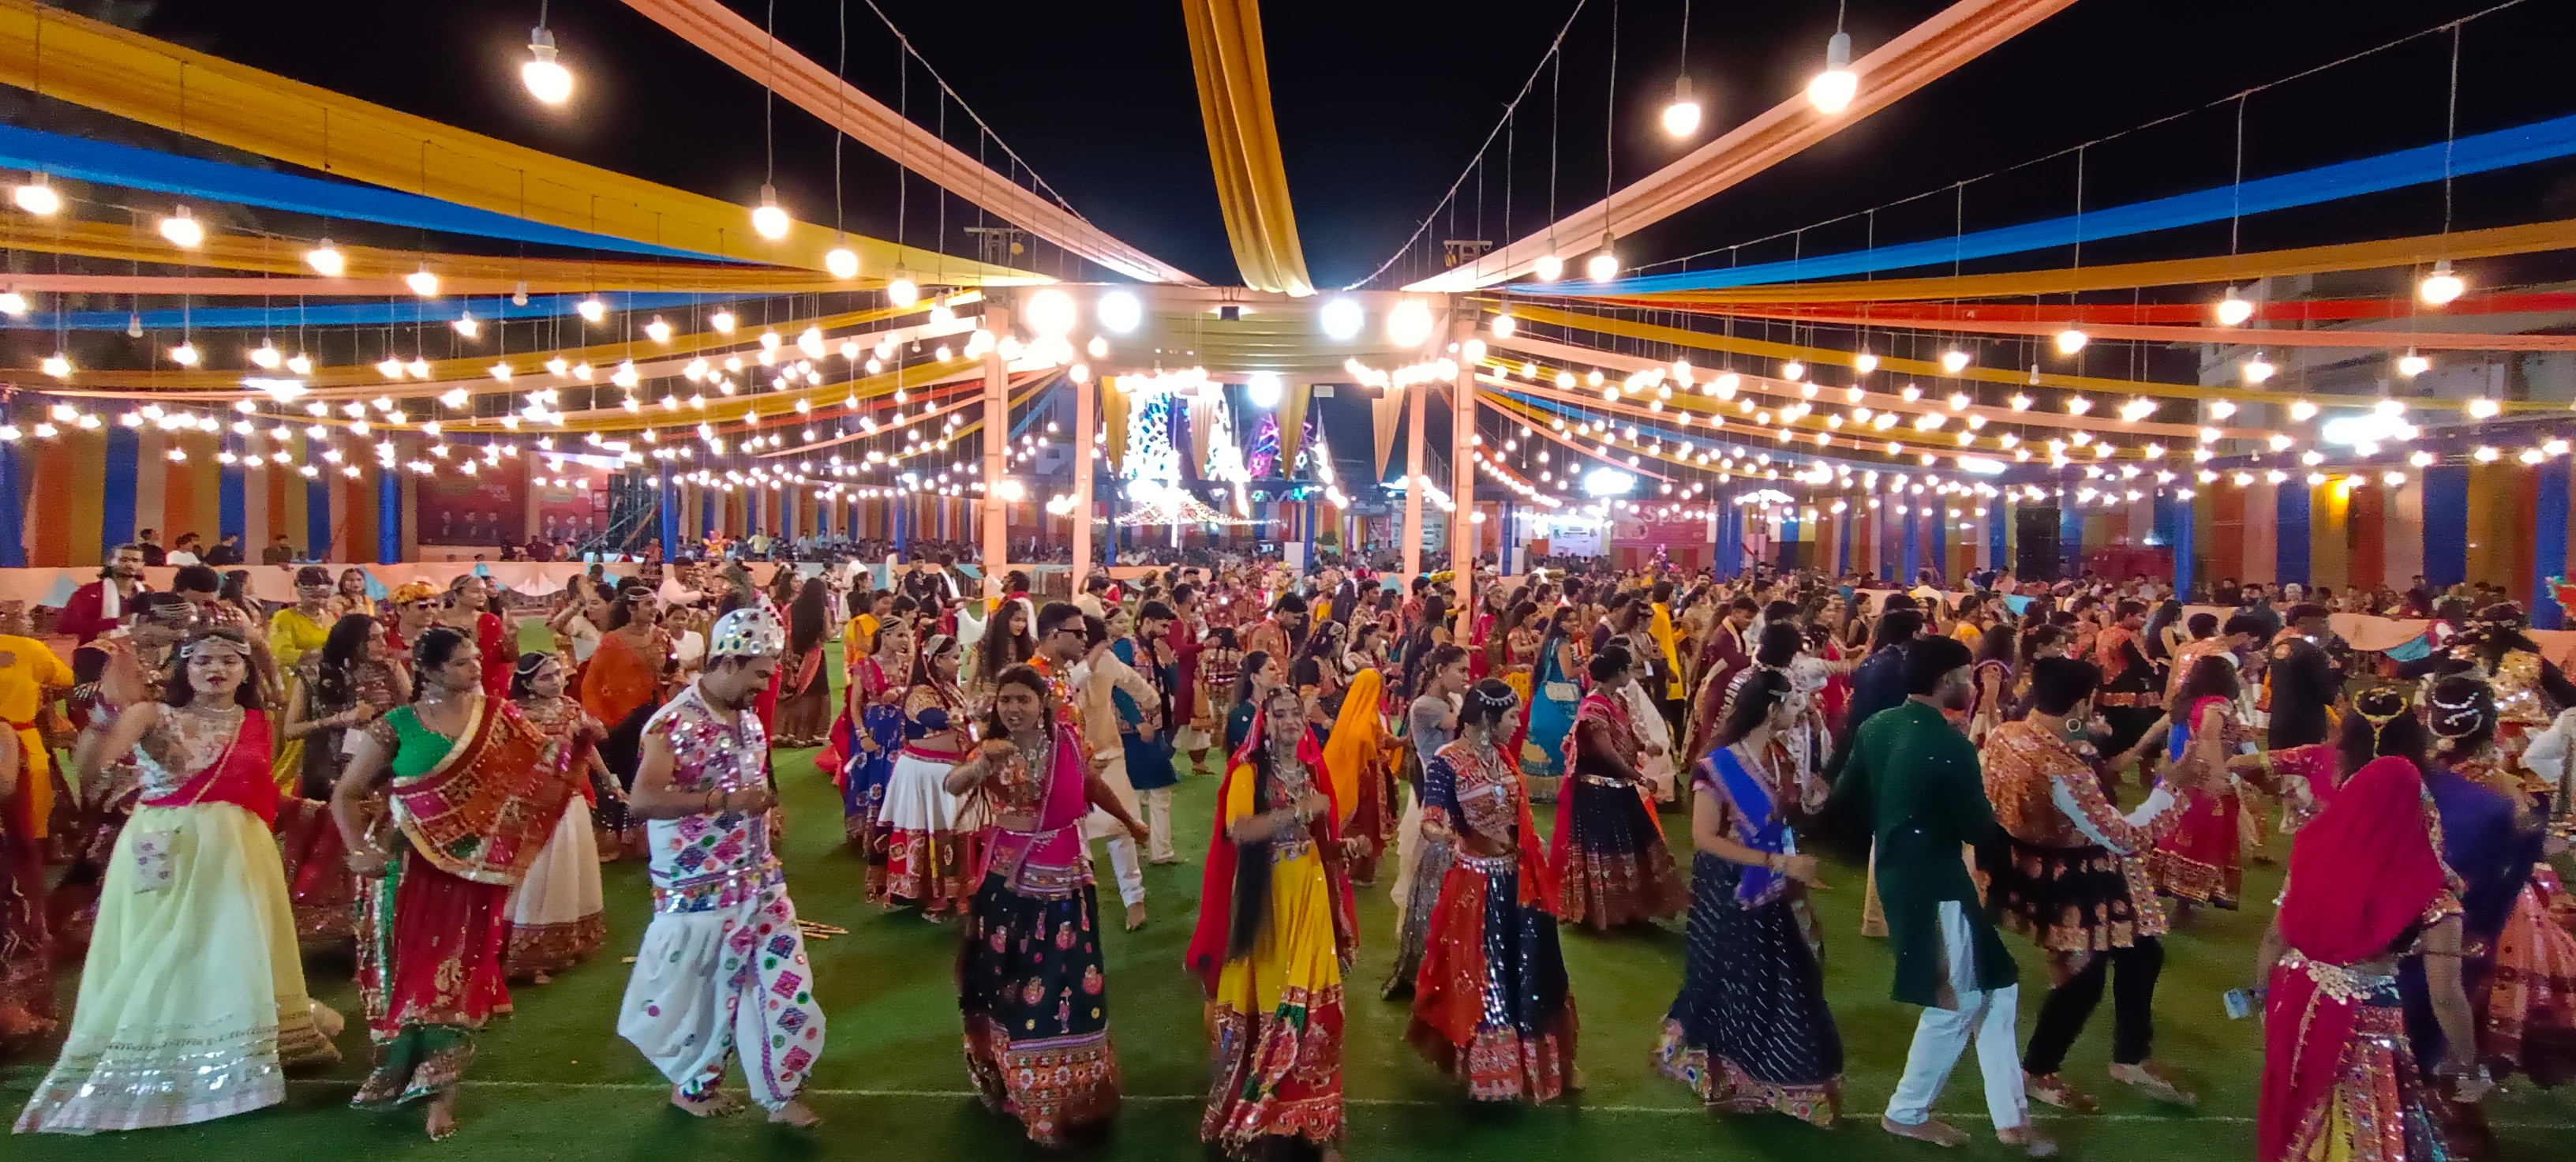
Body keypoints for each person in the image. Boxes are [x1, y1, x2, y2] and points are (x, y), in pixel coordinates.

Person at [15, 628, 343, 1134]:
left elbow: (256, 789)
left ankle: (239, 1050)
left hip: (241, 849)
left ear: (246, 671)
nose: (216, 669)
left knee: (233, 943)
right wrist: (105, 715)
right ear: (183, 670)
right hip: (166, 843)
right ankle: (157, 1054)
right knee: (167, 942)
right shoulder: (153, 715)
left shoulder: (256, 721)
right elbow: (93, 767)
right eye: (203, 660)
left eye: (229, 661)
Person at [331, 624, 581, 1139]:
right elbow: (347, 794)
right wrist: (361, 848)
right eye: (464, 662)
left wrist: (578, 745)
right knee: (410, 973)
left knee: (457, 972)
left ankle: (441, 1094)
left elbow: (540, 767)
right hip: (407, 866)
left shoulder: (498, 716)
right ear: (430, 670)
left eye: (474, 660)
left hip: (473, 870)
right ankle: (399, 1068)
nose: (475, 669)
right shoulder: (397, 724)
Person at [1829, 635, 2050, 1154]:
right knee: (1955, 1000)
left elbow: (1844, 799)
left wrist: (1897, 827)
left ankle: (2010, 1119)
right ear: (1946, 679)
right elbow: (1978, 825)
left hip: (1904, 873)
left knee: (1998, 988)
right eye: (1966, 674)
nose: (1972, 684)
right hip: (1936, 882)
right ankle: (1907, 1112)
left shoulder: (1877, 725)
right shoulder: (1949, 744)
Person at [616, 609, 824, 1128]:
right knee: (704, 996)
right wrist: (722, 803)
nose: (766, 685)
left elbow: (750, 776)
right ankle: (694, 1087)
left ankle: (782, 1095)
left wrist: (766, 809)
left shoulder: (746, 716)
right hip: (696, 887)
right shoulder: (673, 723)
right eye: (758, 673)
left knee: (784, 981)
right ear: (727, 660)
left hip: (759, 876)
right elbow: (641, 800)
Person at [1981, 657, 2197, 1112]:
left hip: (2040, 867)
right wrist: (2171, 788)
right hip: (2078, 879)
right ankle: (2039, 1070)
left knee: (2142, 953)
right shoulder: (2064, 769)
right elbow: (2126, 837)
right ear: (2083, 701)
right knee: (2083, 979)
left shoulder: (2008, 734)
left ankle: (2130, 1058)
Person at [945, 663, 1147, 1146]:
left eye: (1023, 700)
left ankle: (1074, 1095)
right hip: (1010, 887)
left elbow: (1090, 788)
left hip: (1067, 885)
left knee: (1071, 985)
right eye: (1006, 701)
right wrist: (980, 766)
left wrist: (1130, 822)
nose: (1013, 709)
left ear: (1043, 705)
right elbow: (954, 785)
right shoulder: (992, 751)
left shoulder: (1069, 744)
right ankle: (1020, 1088)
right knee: (1008, 984)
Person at [2254, 755, 2480, 1162]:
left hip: (2293, 995)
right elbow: (2444, 996)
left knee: (2293, 1097)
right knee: (2364, 1127)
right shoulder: (2432, 895)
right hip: (2362, 1018)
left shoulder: (2313, 853)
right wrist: (2469, 1063)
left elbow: (2274, 938)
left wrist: (2260, 992)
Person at [1656, 668, 1842, 1124]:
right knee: (1733, 979)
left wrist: (1813, 802)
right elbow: (1703, 838)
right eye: (1792, 704)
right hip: (1729, 889)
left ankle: (1778, 1077)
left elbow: (1780, 819)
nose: (1800, 711)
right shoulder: (1717, 764)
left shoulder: (1778, 756)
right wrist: (1778, 864)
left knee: (1786, 977)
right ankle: (1727, 1073)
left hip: (1774, 887)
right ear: (1770, 708)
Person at [1186, 685, 1360, 1160]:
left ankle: (1315, 1126)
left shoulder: (1306, 771)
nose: (1289, 721)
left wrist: (1343, 849)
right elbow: (1238, 830)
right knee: (1276, 1005)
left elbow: (1315, 838)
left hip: (1310, 899)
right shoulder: (1248, 772)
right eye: (1279, 714)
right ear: (1264, 722)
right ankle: (1259, 1120)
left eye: (1295, 714)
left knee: (1320, 1011)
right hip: (1270, 907)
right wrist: (1304, 810)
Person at [1406, 678, 1577, 1103]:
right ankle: (1492, 1073)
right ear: (1486, 718)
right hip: (1476, 885)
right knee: (1486, 976)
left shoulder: (1502, 757)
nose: (1518, 724)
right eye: (1512, 716)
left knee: (1534, 970)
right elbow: (1433, 813)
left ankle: (1542, 1061)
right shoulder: (1448, 761)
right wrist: (1437, 832)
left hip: (1519, 881)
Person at [274, 613, 408, 944]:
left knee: (381, 847)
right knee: (331, 852)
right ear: (353, 643)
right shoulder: (314, 674)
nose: (383, 644)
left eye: (382, 637)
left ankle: (380, 927)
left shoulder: (389, 670)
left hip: (380, 775)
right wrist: (341, 718)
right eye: (374, 638)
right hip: (328, 772)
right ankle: (335, 930)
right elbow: (291, 730)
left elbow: (412, 714)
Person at [1552, 644, 1687, 929]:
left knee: (1631, 845)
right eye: (1630, 668)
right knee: (1608, 849)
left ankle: (1629, 909)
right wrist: (1641, 778)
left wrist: (1643, 746)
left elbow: (1624, 736)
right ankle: (1605, 914)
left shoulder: (1616, 700)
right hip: (1598, 790)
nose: (1633, 673)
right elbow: (1607, 754)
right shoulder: (1594, 708)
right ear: (1619, 672)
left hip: (1618, 786)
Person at [502, 653, 612, 983]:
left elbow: (588, 747)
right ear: (528, 685)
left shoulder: (569, 706)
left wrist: (607, 778)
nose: (557, 681)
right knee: (539, 871)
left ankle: (564, 942)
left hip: (572, 795)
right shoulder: (515, 714)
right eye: (546, 677)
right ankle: (528, 956)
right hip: (535, 800)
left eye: (557, 674)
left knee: (570, 866)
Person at [869, 632, 979, 916]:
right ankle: (932, 896)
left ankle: (955, 891)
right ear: (938, 660)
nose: (959, 663)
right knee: (934, 831)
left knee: (954, 831)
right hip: (926, 773)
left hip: (948, 770)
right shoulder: (919, 693)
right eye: (955, 658)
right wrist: (974, 715)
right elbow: (935, 719)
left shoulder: (948, 689)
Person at [1383, 644, 1468, 999]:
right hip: (1435, 798)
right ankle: (1422, 953)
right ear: (1440, 671)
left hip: (1451, 793)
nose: (1467, 677)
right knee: (1427, 876)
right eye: (1461, 670)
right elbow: (1465, 728)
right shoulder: (1427, 707)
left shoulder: (1449, 703)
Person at [1072, 612, 1155, 929]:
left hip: (1108, 752)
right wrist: (1089, 660)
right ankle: (1079, 901)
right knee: (1075, 834)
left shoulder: (1105, 660)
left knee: (1124, 827)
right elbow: (1065, 685)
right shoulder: (1061, 668)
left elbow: (1131, 680)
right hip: (1072, 760)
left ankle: (1135, 900)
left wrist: (1151, 700)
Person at [2150, 654, 2252, 910]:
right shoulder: (2217, 705)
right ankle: (2187, 895)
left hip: (2186, 776)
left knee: (2182, 835)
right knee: (2202, 839)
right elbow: (2208, 737)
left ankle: (2180, 893)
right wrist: (2219, 776)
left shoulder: (2193, 703)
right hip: (2206, 780)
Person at [0, 601, 73, 848]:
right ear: (7, 619)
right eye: (24, 617)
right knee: (30, 806)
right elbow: (67, 679)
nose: (30, 622)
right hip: (22, 739)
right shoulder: (30, 648)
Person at [1115, 602, 1183, 863]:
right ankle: (1153, 850)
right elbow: (1118, 686)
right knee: (1147, 790)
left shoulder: (1155, 649)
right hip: (1133, 731)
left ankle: (1156, 850)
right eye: (1163, 625)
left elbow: (1175, 685)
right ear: (1146, 620)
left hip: (1152, 728)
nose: (1166, 631)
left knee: (1152, 791)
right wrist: (1136, 722)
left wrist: (1170, 662)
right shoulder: (1126, 646)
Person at [843, 613, 913, 844]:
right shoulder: (863, 666)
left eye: (907, 635)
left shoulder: (908, 663)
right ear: (885, 636)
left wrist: (899, 693)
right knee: (870, 778)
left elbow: (913, 693)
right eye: (900, 635)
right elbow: (855, 706)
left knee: (895, 777)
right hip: (874, 730)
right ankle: (869, 835)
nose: (905, 640)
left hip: (901, 729)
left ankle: (896, 833)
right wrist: (862, 734)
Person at [773, 577, 833, 748]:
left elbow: (783, 633)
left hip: (791, 656)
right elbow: (826, 636)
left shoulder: (789, 609)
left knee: (792, 692)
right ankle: (810, 735)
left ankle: (784, 733)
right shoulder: (823, 611)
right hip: (814, 656)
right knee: (814, 694)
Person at [58, 542, 148, 643]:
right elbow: (67, 625)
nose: (129, 564)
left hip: (138, 653)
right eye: (123, 560)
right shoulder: (90, 592)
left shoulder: (147, 593)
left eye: (135, 561)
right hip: (97, 653)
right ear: (110, 562)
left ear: (142, 564)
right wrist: (113, 623)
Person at [444, 574, 515, 699]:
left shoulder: (489, 620)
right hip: (447, 681)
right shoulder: (439, 619)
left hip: (487, 682)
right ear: (456, 594)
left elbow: (499, 658)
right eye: (476, 591)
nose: (483, 596)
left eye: (484, 591)